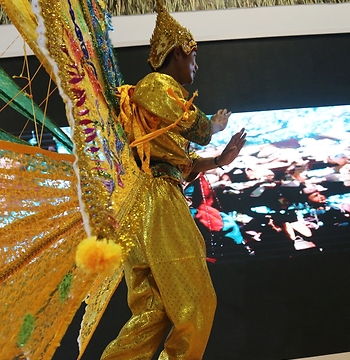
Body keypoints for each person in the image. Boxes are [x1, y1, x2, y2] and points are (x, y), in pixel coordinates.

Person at [100, 2, 246, 359]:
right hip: (157, 201)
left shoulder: (155, 106)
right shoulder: (156, 86)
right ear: (180, 52)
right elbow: (192, 127)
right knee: (196, 301)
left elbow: (177, 162)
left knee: (153, 311)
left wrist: (218, 161)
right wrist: (211, 125)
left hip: (143, 201)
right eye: (194, 58)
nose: (196, 66)